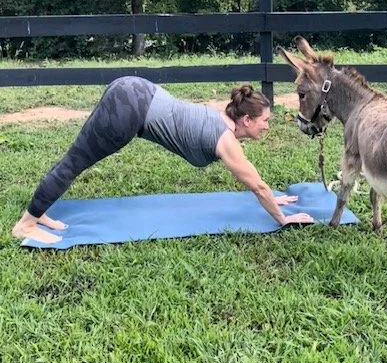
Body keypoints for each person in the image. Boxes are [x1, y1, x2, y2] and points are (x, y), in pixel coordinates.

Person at [12, 77, 314, 243]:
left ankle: (40, 212)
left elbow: (257, 183)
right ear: (246, 120)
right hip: (130, 107)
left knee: (75, 159)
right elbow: (258, 186)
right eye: (265, 121)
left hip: (138, 91)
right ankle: (26, 224)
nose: (267, 126)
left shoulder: (223, 118)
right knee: (75, 162)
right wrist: (283, 218)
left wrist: (275, 198)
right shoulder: (226, 141)